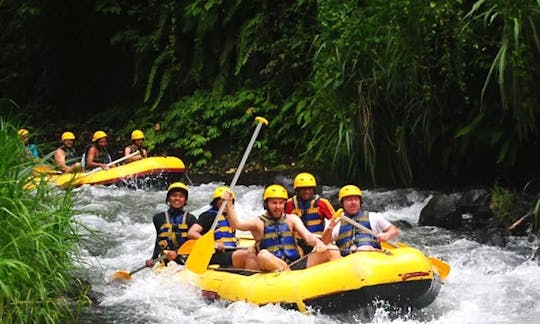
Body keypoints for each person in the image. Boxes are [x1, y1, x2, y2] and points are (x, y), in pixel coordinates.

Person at [225, 184, 340, 272]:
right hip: (273, 268)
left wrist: (317, 243)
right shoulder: (257, 222)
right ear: (266, 204)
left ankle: (337, 288)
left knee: (331, 249)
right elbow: (236, 224)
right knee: (263, 255)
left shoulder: (292, 219)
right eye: (274, 203)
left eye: (281, 203)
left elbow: (308, 236)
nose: (278, 207)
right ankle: (289, 278)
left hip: (296, 263)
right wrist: (229, 204)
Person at [187, 186, 259, 269]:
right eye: (222, 203)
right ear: (215, 203)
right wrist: (213, 244)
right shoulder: (209, 216)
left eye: (227, 203)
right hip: (214, 254)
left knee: (253, 252)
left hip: (229, 251)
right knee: (247, 255)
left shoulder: (230, 217)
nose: (225, 206)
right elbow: (192, 233)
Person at [322, 185, 400, 255]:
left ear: (360, 202)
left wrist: (387, 235)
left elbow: (394, 231)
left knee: (363, 249)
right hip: (346, 260)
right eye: (349, 200)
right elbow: (325, 243)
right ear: (342, 203)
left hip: (371, 255)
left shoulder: (373, 217)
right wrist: (329, 228)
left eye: (356, 199)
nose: (353, 202)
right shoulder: (336, 221)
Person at [146, 182, 197, 267]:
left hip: (184, 260)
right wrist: (153, 259)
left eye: (181, 196)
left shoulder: (191, 219)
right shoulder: (158, 218)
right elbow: (159, 240)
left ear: (185, 200)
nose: (177, 198)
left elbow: (195, 243)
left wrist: (177, 253)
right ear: (168, 199)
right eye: (174, 195)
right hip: (165, 259)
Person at [285, 172, 336, 254]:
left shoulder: (322, 203)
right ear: (297, 190)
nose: (307, 192)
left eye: (310, 189)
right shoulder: (288, 204)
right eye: (303, 189)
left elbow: (335, 222)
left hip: (318, 240)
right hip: (297, 242)